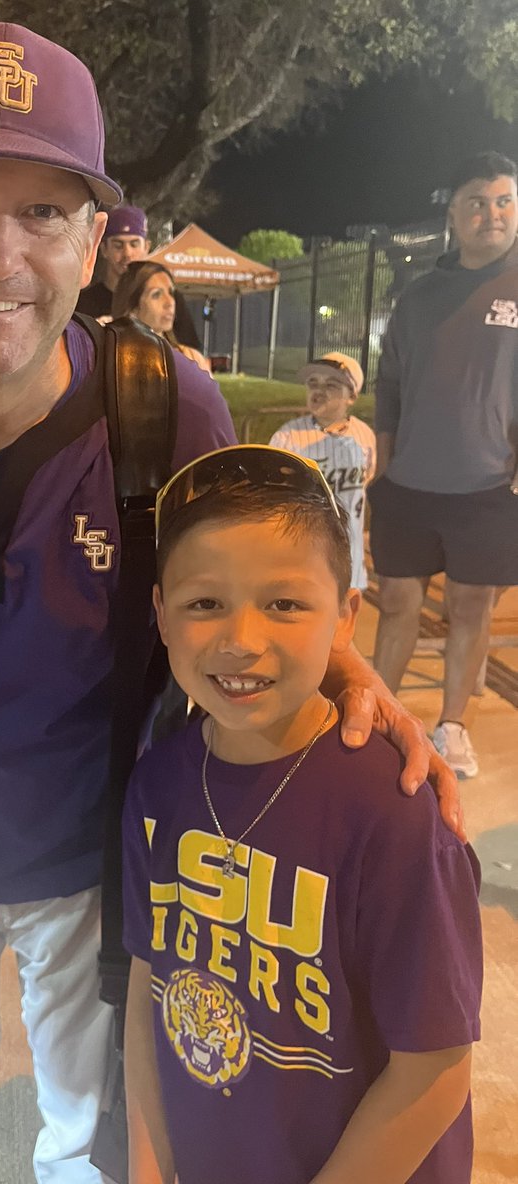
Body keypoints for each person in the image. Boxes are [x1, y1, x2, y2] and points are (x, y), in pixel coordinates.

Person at [0, 23, 458, 1184]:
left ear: (95, 239)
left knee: (87, 1133)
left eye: (45, 212)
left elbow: (247, 588)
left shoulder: (170, 408)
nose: (0, 254)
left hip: (100, 853)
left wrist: (343, 671)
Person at [123, 445, 482, 1184]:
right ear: (161, 614)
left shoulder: (393, 813)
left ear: (347, 614)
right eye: (204, 603)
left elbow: (438, 1066)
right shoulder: (158, 783)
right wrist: (148, 1167)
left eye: (284, 603)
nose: (241, 640)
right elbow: (146, 990)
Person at [370, 150, 518, 780]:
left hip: (487, 486)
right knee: (398, 602)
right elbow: (391, 382)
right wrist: (384, 457)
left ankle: (452, 727)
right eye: (477, 203)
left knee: (470, 608)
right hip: (408, 484)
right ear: (453, 216)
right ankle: (376, 713)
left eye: (504, 201)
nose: (492, 213)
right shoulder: (418, 295)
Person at [269, 352, 375, 588]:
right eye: (313, 383)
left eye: (332, 385)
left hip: (350, 560)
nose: (319, 390)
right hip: (301, 559)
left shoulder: (365, 436)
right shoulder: (287, 437)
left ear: (352, 396)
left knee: (347, 622)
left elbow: (367, 477)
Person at [76, 204, 202, 350]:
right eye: (118, 245)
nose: (127, 253)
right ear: (104, 249)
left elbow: (191, 352)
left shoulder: (171, 300)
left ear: (146, 248)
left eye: (134, 244)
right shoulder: (83, 303)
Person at [111, 260, 212, 373]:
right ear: (132, 309)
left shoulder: (191, 359)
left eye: (171, 293)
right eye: (156, 294)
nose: (170, 302)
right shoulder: (112, 359)